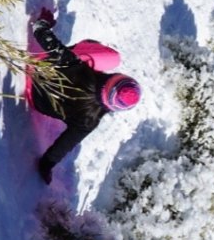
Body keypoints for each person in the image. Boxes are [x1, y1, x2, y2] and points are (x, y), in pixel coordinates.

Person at [29, 13, 141, 184]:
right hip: (36, 101)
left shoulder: (79, 69)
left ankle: (88, 47)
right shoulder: (90, 119)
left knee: (111, 57)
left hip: (35, 76)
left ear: (114, 78)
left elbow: (43, 35)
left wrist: (42, 25)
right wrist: (47, 165)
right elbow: (64, 145)